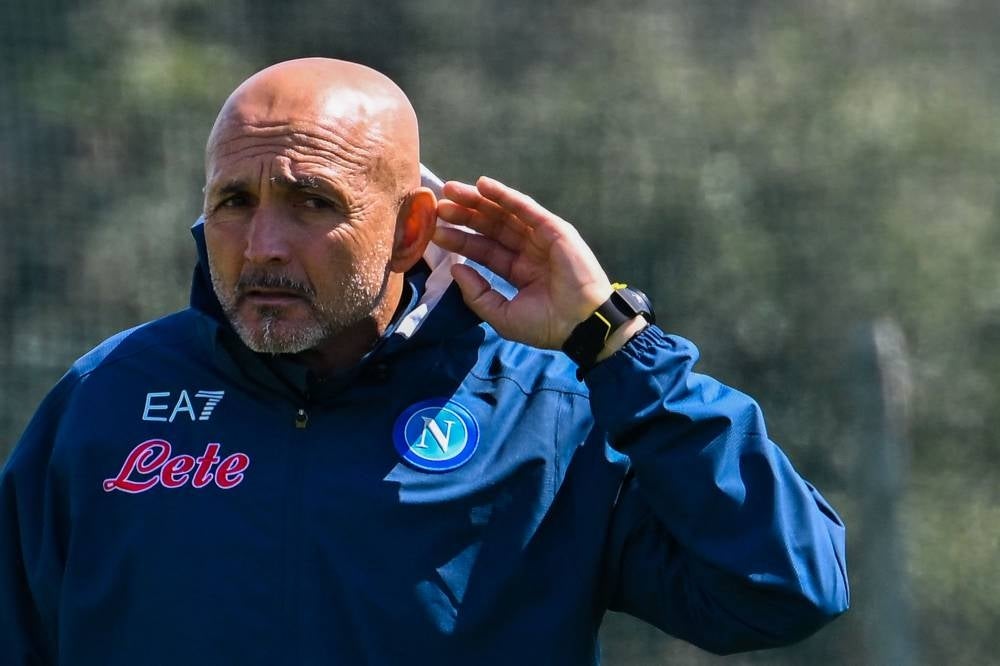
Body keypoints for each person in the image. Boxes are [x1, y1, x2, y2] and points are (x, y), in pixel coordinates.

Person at [0, 58, 848, 665]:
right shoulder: (107, 399)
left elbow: (785, 586)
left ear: (410, 230)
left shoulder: (543, 412)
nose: (262, 245)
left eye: (311, 202)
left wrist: (617, 345)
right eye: (234, 202)